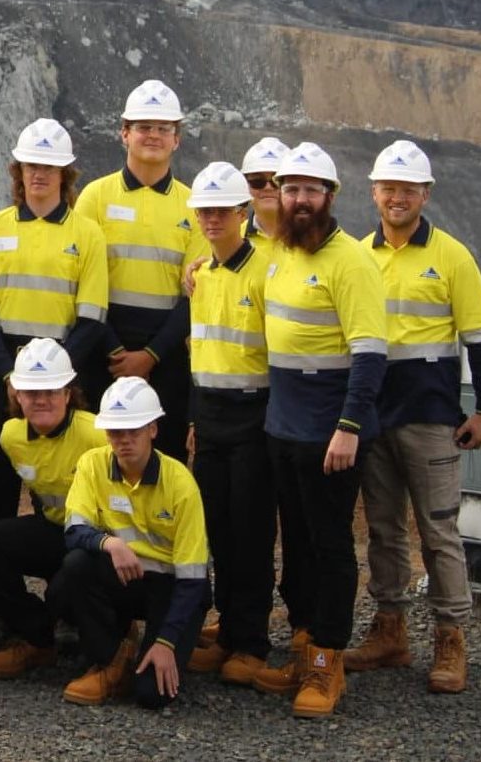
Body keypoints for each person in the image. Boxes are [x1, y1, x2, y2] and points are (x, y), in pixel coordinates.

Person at [347, 140, 481, 694]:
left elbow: (480, 342)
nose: (397, 198)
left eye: (408, 189)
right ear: (374, 192)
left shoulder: (453, 256)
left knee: (438, 530)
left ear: (425, 194)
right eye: (388, 188)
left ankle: (450, 637)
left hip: (430, 413)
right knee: (384, 529)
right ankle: (390, 630)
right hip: (375, 411)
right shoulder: (359, 254)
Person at [248, 142, 386, 718]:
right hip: (283, 426)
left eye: (310, 190)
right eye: (290, 189)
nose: (299, 200)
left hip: (330, 430)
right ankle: (305, 645)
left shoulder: (349, 260)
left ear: (330, 197)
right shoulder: (280, 253)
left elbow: (371, 351)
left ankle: (328, 660)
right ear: (277, 195)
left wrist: (349, 426)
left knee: (331, 545)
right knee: (298, 543)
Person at [0, 118, 108, 522]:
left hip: (66, 364)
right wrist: (10, 373)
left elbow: (93, 316)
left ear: (64, 174)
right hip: (5, 363)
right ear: (19, 171)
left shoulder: (88, 234)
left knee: (71, 475)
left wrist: (55, 376)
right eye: (31, 165)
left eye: (49, 167)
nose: (39, 174)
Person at [52, 377, 209, 709]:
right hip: (124, 575)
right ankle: (110, 660)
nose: (123, 441)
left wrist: (167, 641)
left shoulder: (180, 483)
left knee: (152, 696)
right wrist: (111, 543)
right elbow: (74, 531)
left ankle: (160, 645)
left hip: (170, 587)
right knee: (75, 568)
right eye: (114, 432)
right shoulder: (93, 463)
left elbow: (193, 578)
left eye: (132, 431)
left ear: (152, 429)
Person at [73, 80, 206, 461]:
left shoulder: (193, 205)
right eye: (144, 127)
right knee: (98, 458)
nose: (154, 136)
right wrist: (117, 352)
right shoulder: (95, 197)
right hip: (102, 350)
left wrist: (149, 356)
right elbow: (85, 282)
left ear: (177, 139)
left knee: (164, 460)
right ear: (124, 133)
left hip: (166, 355)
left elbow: (193, 294)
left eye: (164, 129)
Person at [180, 163, 275, 685]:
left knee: (251, 532)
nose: (213, 218)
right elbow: (201, 355)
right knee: (214, 527)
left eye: (223, 210)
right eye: (206, 211)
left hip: (253, 414)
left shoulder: (265, 272)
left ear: (243, 213)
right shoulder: (204, 277)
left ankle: (251, 641)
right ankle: (227, 628)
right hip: (211, 416)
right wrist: (196, 419)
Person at [0, 339, 106, 678]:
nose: (42, 399)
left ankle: (107, 633)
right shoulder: (11, 436)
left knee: (68, 581)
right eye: (32, 392)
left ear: (68, 393)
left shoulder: (98, 435)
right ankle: (37, 640)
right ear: (17, 395)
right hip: (54, 529)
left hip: (97, 541)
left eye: (51, 390)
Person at [240, 137, 288, 240]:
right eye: (257, 181)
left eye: (277, 181)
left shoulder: (317, 240)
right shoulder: (232, 241)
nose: (268, 187)